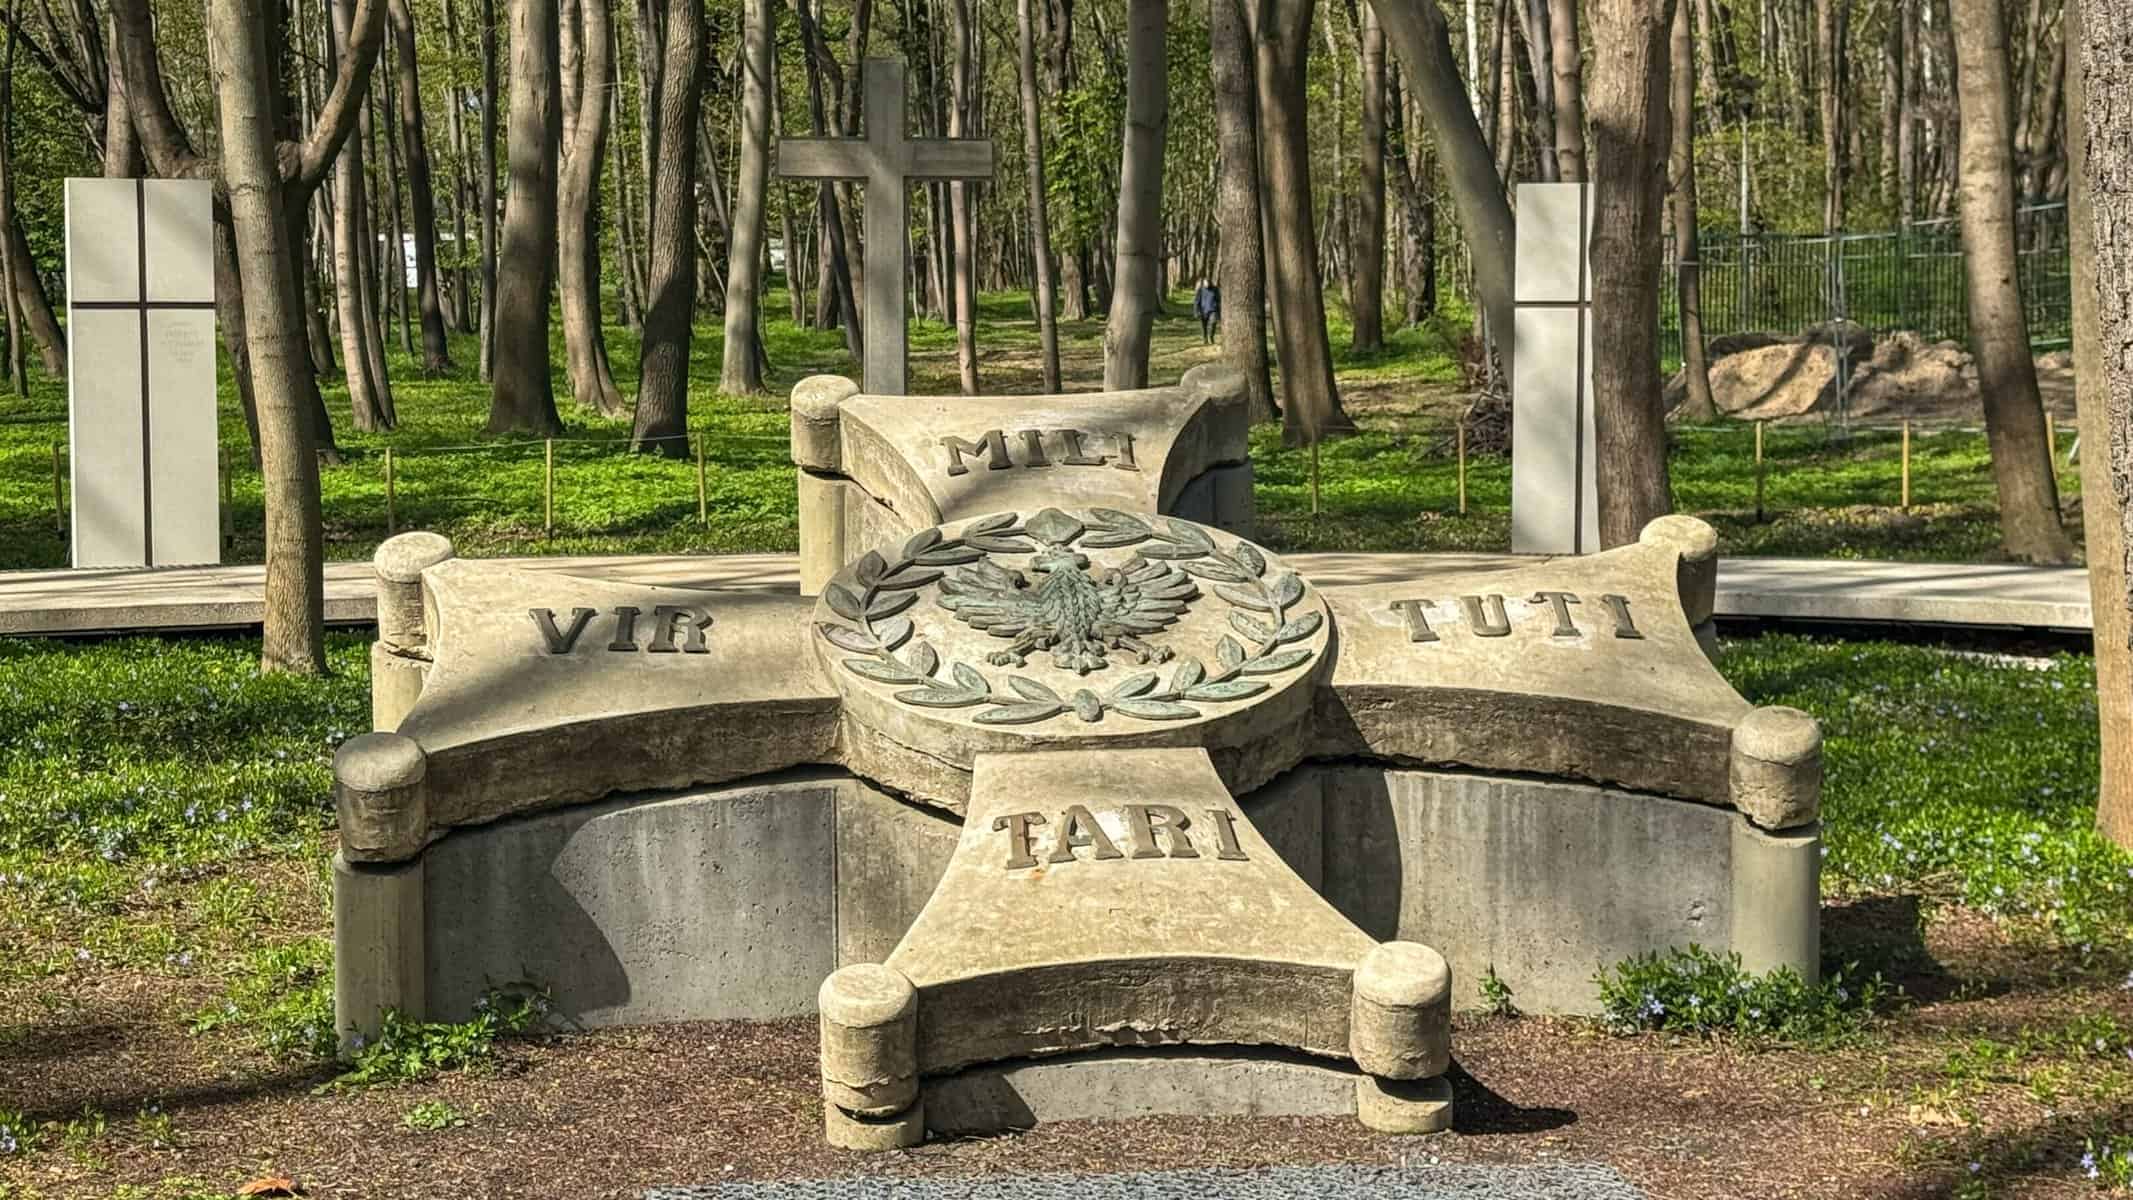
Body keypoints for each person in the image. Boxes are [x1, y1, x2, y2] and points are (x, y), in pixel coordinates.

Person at [1192, 278, 1221, 345]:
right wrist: (1196, 311)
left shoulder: (1215, 289)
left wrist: (1219, 311)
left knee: (1213, 323)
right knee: (1204, 326)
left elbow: (1219, 300)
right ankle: (1205, 339)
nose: (1206, 284)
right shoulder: (1200, 290)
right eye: (1205, 283)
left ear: (1210, 282)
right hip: (1203, 311)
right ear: (1203, 283)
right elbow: (1196, 302)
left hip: (1213, 310)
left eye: (1208, 283)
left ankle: (1211, 336)